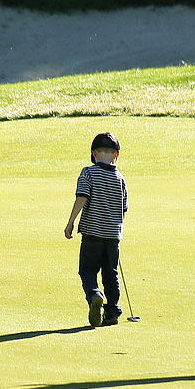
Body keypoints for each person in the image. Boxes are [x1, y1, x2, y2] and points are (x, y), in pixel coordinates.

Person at [65, 132, 129, 327]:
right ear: (116, 154)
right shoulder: (120, 178)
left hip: (92, 232)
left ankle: (94, 294)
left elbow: (82, 197)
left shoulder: (88, 173)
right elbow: (123, 209)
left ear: (94, 153)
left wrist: (71, 222)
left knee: (87, 269)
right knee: (111, 274)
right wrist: (117, 230)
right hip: (113, 235)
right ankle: (112, 312)